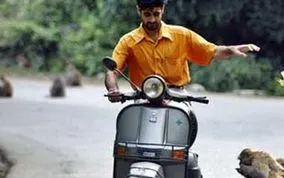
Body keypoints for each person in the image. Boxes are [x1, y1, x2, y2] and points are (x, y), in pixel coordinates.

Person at [104, 0, 260, 102]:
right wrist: (113, 90)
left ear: (163, 9)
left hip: (176, 96)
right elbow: (112, 70)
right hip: (143, 96)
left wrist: (231, 49)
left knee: (185, 132)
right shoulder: (128, 41)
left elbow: (212, 51)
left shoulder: (182, 35)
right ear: (139, 11)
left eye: (156, 14)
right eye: (147, 14)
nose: (151, 20)